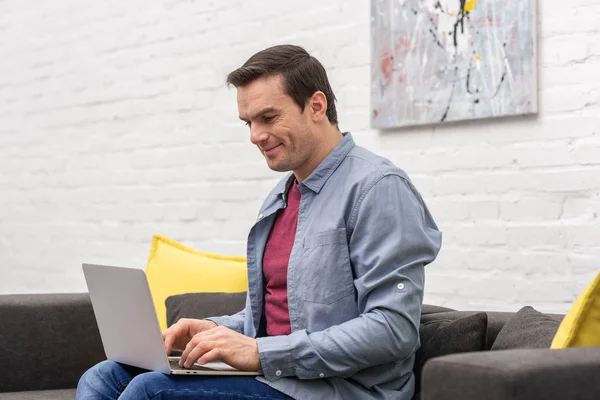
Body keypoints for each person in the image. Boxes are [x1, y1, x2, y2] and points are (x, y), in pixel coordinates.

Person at [77, 44, 442, 400]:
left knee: (149, 390)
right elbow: (276, 319)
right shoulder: (280, 198)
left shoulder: (377, 188)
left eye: (268, 118)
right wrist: (216, 329)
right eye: (248, 122)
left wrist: (261, 353)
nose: (255, 136)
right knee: (104, 376)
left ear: (316, 106)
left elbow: (393, 330)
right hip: (278, 376)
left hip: (339, 388)